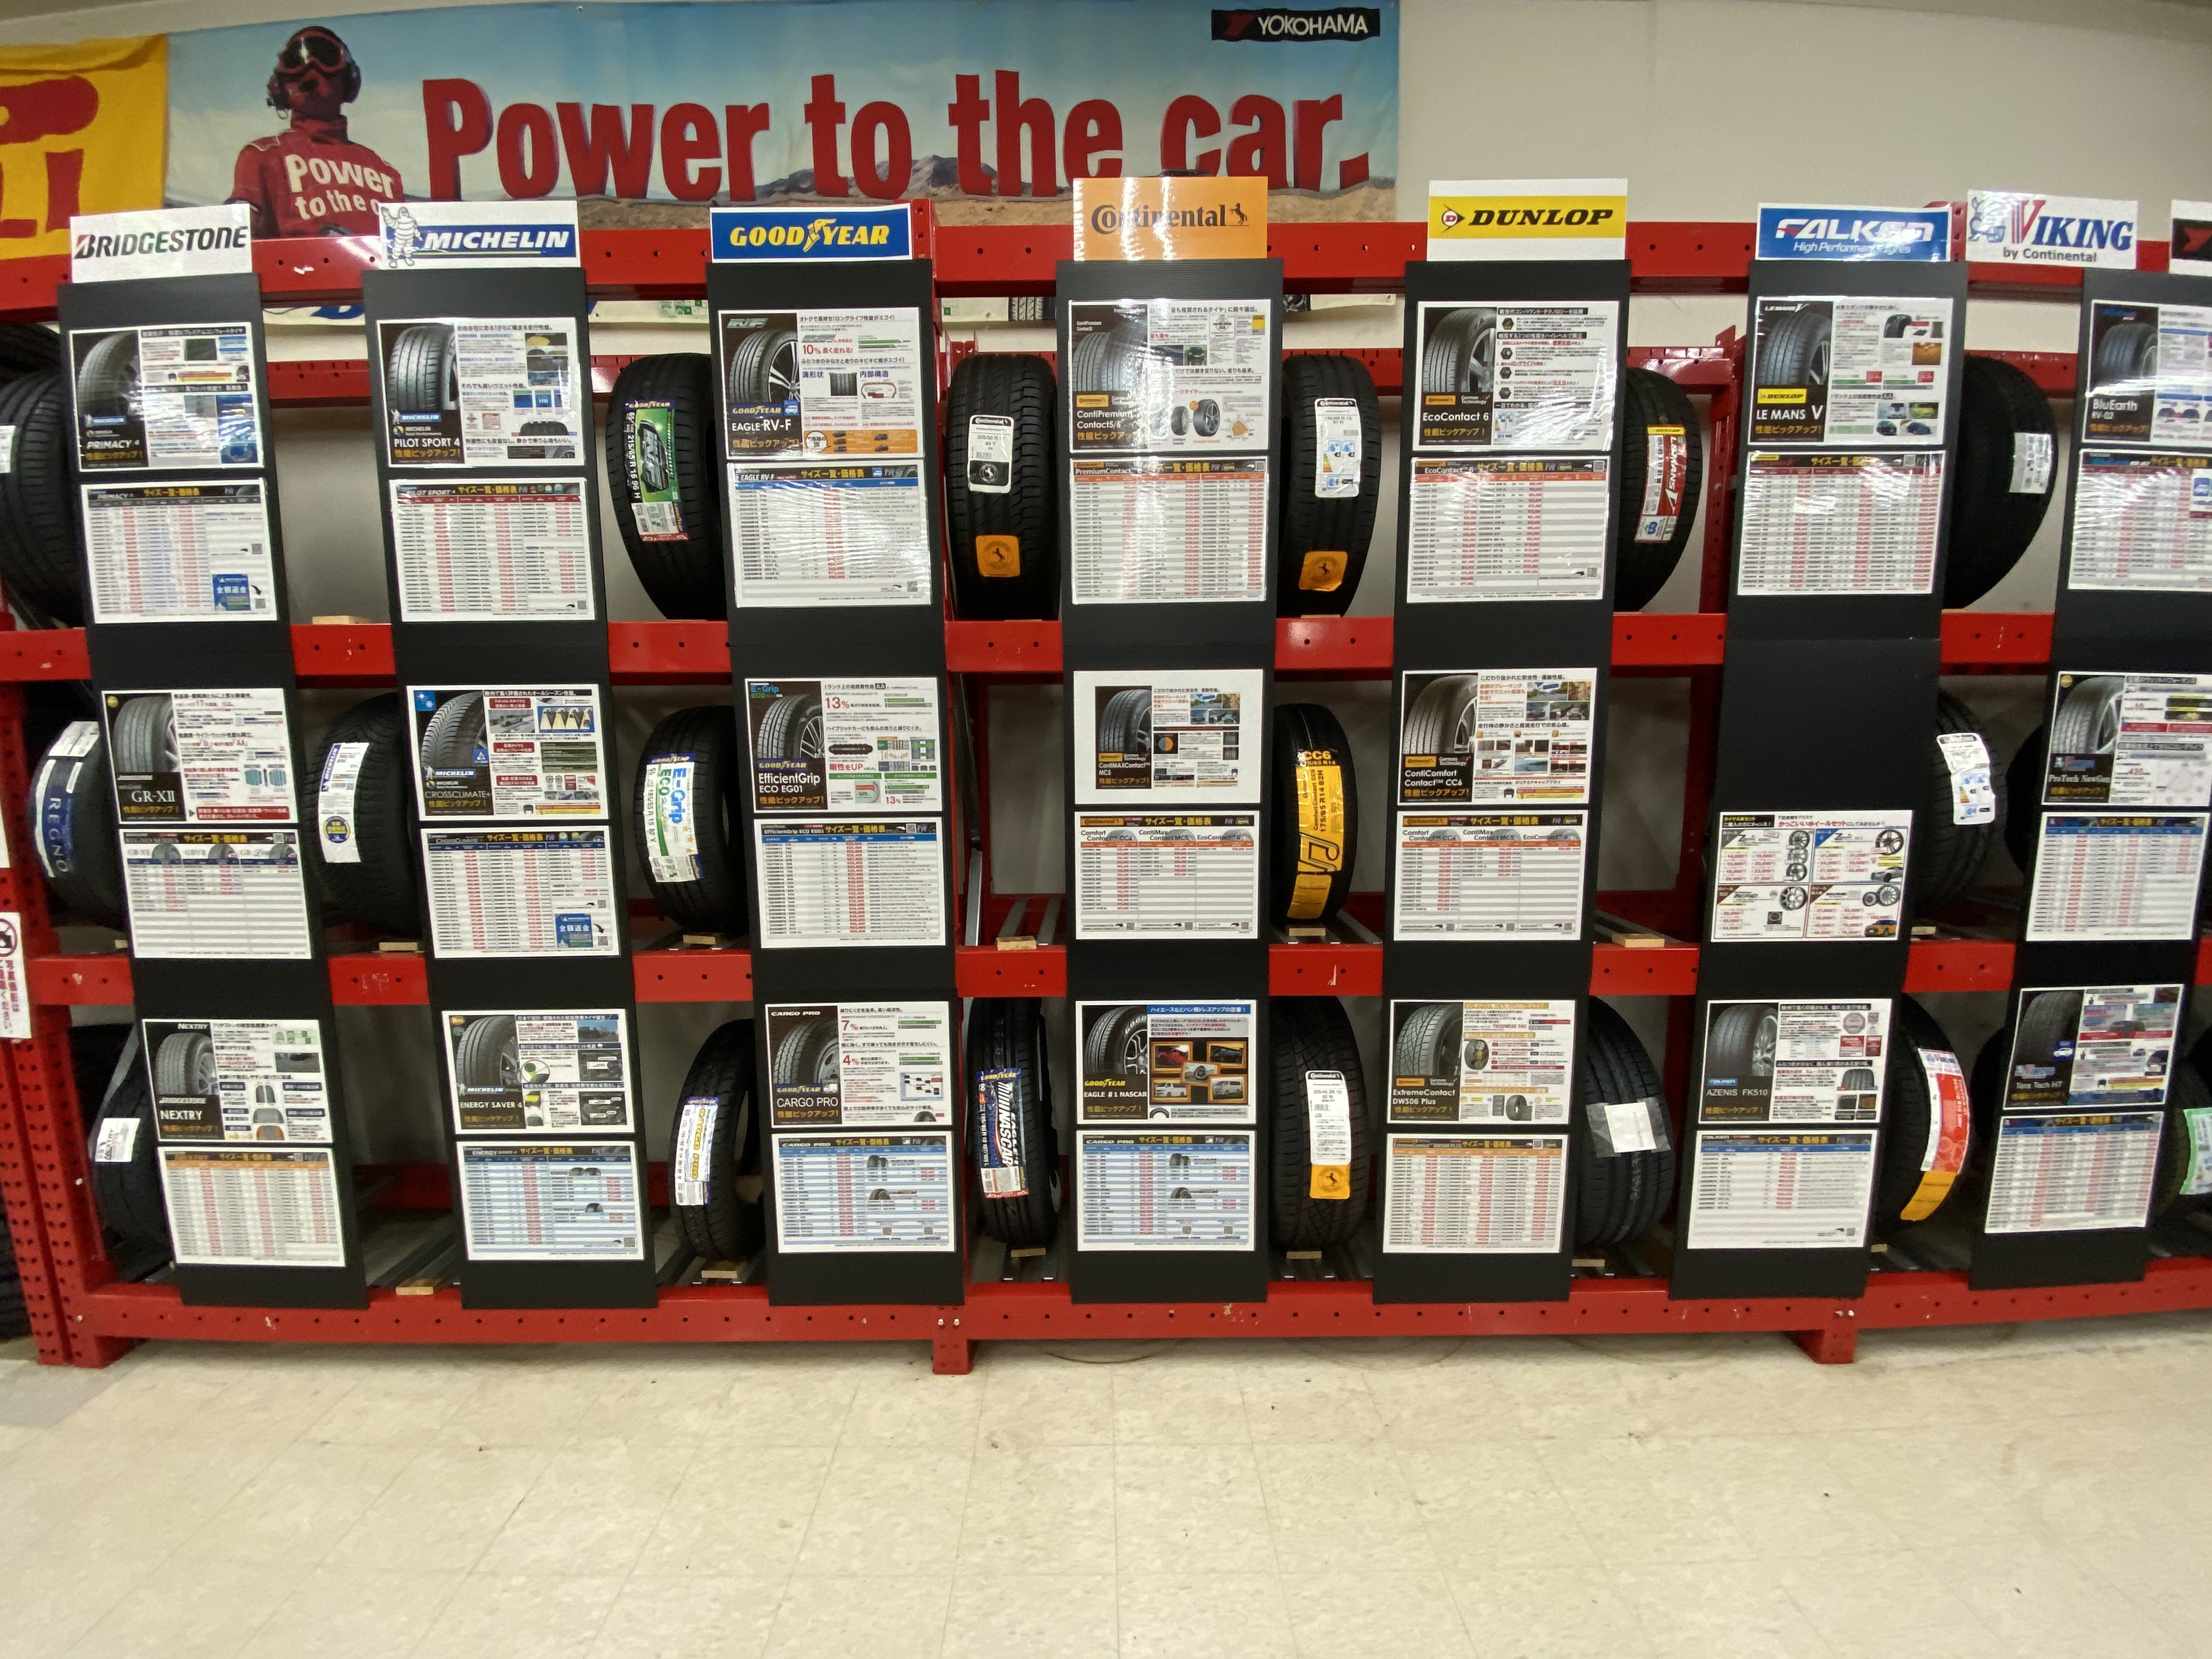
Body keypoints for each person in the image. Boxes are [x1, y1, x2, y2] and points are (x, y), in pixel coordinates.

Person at [227, 26, 404, 238]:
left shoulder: (384, 172)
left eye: (326, 57)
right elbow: (240, 241)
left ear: (349, 80)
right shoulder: (262, 157)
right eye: (295, 62)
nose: (311, 70)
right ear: (280, 87)